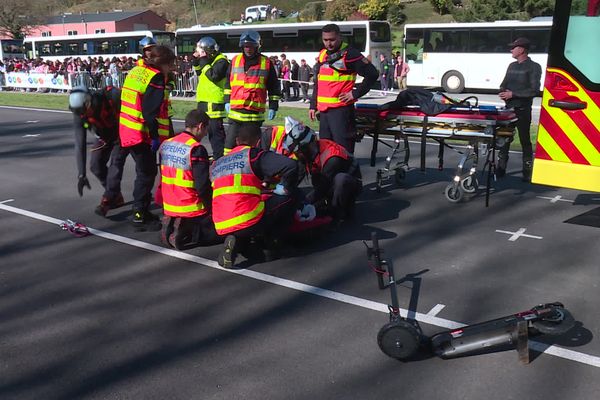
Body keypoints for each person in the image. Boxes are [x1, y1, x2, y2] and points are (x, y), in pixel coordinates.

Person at [210, 125, 299, 268]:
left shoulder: (218, 163)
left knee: (248, 208)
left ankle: (236, 240)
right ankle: (272, 246)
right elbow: (290, 166)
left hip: (220, 223)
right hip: (247, 218)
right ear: (258, 142)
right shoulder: (254, 155)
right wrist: (284, 187)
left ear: (237, 141)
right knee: (290, 196)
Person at [119, 45, 175, 230]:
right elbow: (150, 111)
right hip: (141, 132)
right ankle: (139, 213)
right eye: (170, 65)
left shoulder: (137, 70)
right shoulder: (155, 77)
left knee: (143, 172)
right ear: (163, 64)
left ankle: (140, 209)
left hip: (127, 127)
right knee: (147, 173)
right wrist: (155, 136)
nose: (172, 69)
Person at [309, 23, 379, 153]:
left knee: (343, 151)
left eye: (332, 40)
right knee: (325, 150)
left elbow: (372, 74)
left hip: (341, 111)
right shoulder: (322, 54)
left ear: (340, 37)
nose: (328, 44)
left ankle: (347, 173)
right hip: (324, 112)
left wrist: (355, 94)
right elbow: (318, 81)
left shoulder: (350, 54)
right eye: (325, 40)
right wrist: (313, 105)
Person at [283, 117, 362, 225]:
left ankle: (337, 213)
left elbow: (323, 187)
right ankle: (327, 204)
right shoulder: (310, 151)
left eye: (297, 152)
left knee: (341, 180)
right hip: (328, 181)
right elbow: (297, 175)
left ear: (307, 147)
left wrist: (304, 203)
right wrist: (283, 191)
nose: (296, 155)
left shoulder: (332, 157)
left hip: (350, 184)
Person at [159, 110, 219, 249]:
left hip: (169, 203)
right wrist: (211, 207)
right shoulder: (196, 149)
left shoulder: (167, 144)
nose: (205, 134)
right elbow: (202, 185)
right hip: (191, 206)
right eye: (205, 129)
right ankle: (185, 231)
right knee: (219, 232)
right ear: (200, 126)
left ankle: (175, 222)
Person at [69, 85, 128, 217]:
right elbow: (80, 143)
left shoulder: (112, 96)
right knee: (95, 166)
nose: (82, 115)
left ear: (89, 101)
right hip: (104, 136)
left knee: (115, 165)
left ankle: (106, 201)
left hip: (122, 133)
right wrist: (81, 174)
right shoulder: (80, 113)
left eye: (83, 111)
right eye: (78, 113)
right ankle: (115, 195)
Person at [223, 30, 281, 155]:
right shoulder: (235, 61)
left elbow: (274, 86)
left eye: (251, 46)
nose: (248, 49)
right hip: (235, 114)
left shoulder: (266, 63)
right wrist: (227, 100)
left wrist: (273, 106)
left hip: (254, 115)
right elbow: (228, 83)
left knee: (252, 149)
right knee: (229, 146)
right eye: (245, 46)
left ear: (257, 46)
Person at [498, 37, 542, 182]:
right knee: (504, 138)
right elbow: (503, 83)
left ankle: (527, 170)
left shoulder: (534, 67)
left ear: (521, 50)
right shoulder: (511, 66)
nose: (511, 50)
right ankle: (501, 167)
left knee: (525, 140)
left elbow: (534, 90)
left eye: (514, 48)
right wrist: (503, 92)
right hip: (509, 109)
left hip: (523, 109)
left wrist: (514, 94)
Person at [192, 36, 230, 160]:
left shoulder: (221, 60)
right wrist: (196, 60)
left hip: (214, 102)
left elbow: (214, 76)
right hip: (203, 101)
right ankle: (213, 154)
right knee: (201, 130)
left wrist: (203, 60)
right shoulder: (207, 61)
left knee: (216, 133)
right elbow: (199, 72)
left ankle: (220, 158)